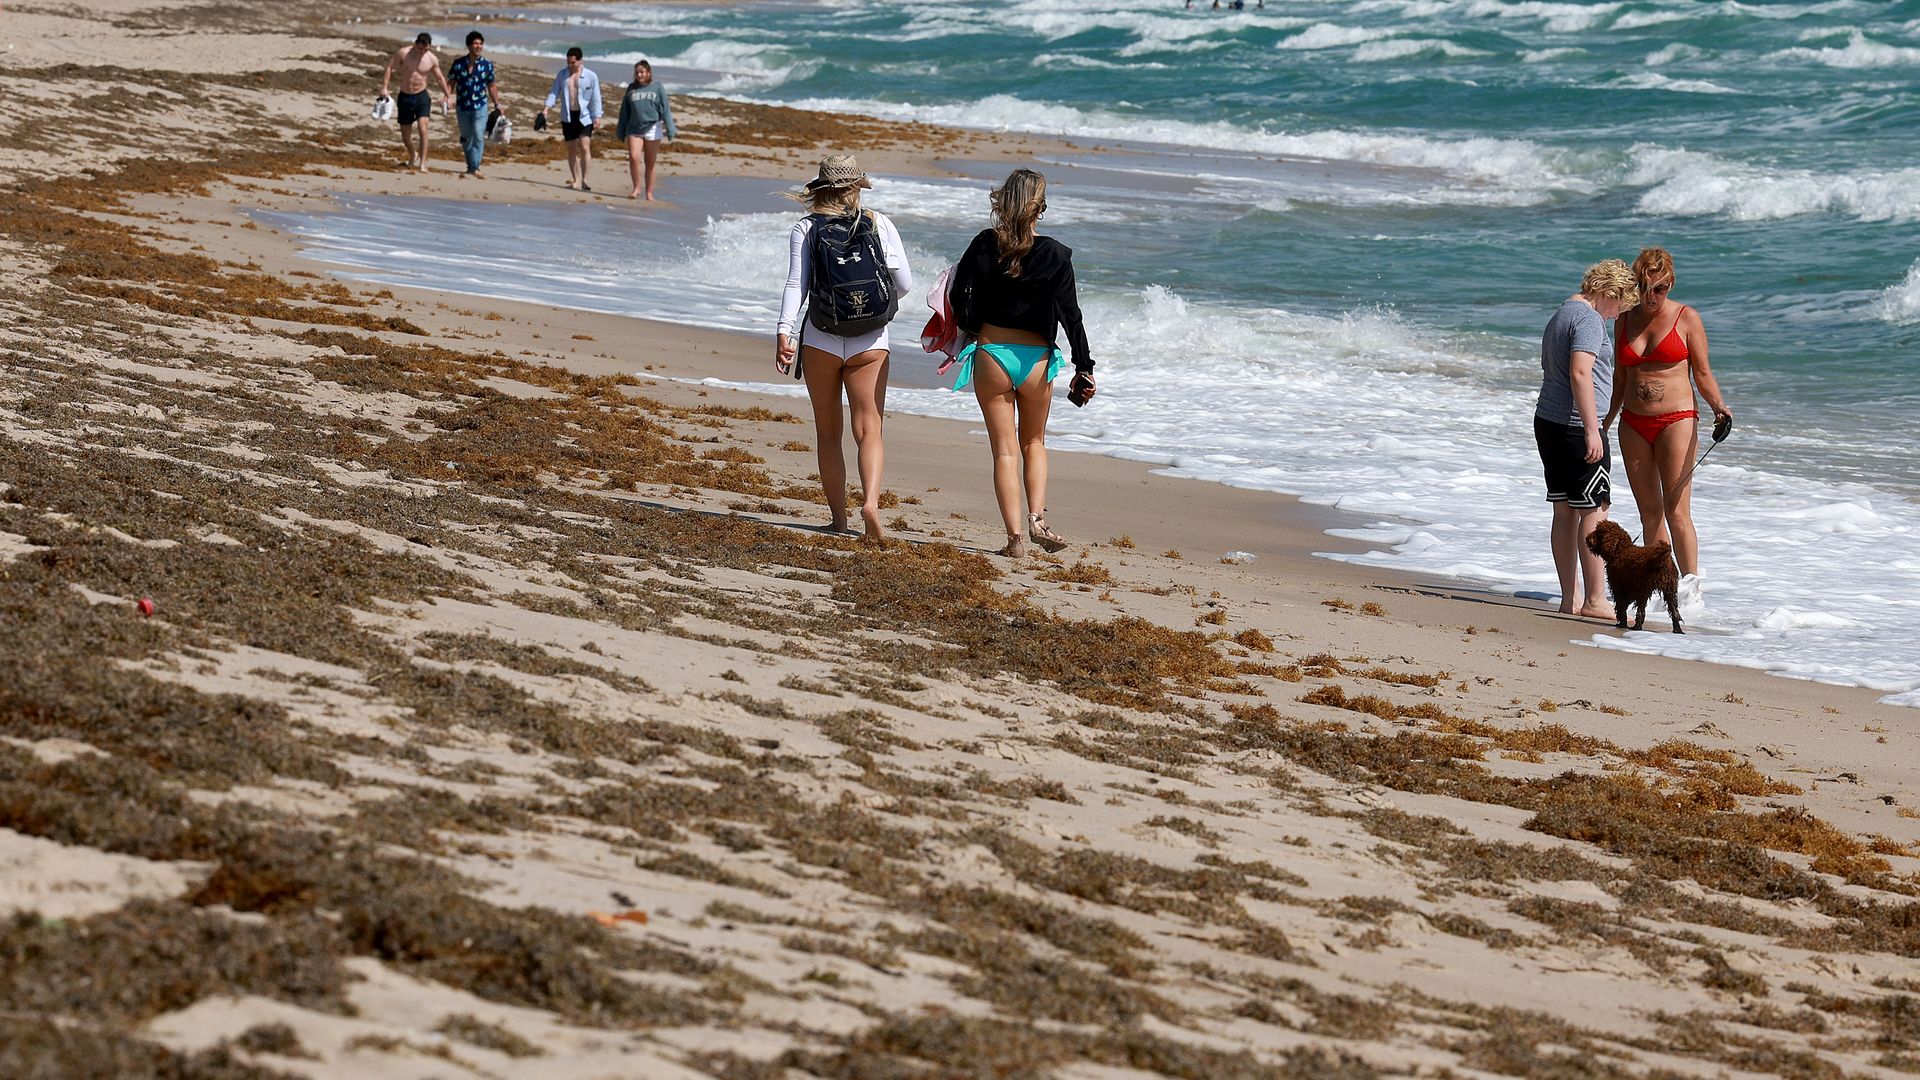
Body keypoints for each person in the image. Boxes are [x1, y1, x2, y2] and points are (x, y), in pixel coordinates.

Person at [950, 168, 1095, 559]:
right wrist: (1085, 366)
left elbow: (959, 298)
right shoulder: (1056, 255)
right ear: (1040, 209)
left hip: (992, 353)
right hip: (1036, 361)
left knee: (1004, 451)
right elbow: (1072, 316)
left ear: (1002, 202)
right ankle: (1037, 519)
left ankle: (1014, 540)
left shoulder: (983, 245)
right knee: (1034, 442)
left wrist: (970, 327)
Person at [774, 155, 912, 540]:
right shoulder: (877, 222)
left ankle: (838, 520)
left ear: (821, 188)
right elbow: (904, 283)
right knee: (870, 428)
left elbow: (795, 285)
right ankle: (870, 502)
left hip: (821, 338)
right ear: (857, 188)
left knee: (828, 432)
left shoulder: (805, 227)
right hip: (871, 340)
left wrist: (785, 332)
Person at [1606, 247, 1732, 613]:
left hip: (1676, 420)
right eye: (1644, 288)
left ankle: (1691, 590)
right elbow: (1619, 376)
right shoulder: (1624, 318)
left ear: (1670, 283)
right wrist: (1605, 421)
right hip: (1633, 423)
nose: (1651, 296)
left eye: (1659, 289)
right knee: (1650, 512)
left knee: (1676, 510)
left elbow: (1703, 373)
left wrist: (1719, 408)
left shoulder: (1686, 318)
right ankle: (1661, 587)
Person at [1535, 259, 1638, 619]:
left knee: (1564, 511)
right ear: (1609, 292)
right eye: (1619, 306)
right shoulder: (1589, 319)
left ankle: (1570, 599)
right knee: (1594, 510)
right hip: (1578, 427)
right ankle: (1595, 600)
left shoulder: (1562, 313)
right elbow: (1581, 372)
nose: (1615, 316)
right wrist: (1594, 429)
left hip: (1548, 420)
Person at [380, 33, 453, 173]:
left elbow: (439, 78)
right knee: (405, 135)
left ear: (428, 47)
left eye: (424, 49)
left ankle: (423, 163)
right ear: (415, 43)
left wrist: (447, 95)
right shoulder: (404, 53)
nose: (421, 51)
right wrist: (384, 87)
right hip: (405, 96)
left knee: (423, 127)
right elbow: (390, 67)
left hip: (422, 97)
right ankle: (413, 153)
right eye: (419, 48)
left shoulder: (431, 59)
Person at [539, 47, 603, 191]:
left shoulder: (591, 76)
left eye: (573, 63)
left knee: (585, 147)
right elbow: (554, 92)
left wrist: (597, 116)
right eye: (568, 62)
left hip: (584, 116)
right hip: (568, 116)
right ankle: (576, 180)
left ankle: (585, 179)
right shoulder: (562, 75)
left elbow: (596, 97)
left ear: (580, 61)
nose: (570, 65)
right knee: (571, 150)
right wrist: (546, 110)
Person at [616, 60, 676, 201]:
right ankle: (636, 188)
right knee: (634, 157)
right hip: (634, 128)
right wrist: (621, 129)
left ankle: (649, 193)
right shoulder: (631, 88)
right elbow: (624, 110)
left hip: (653, 127)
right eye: (637, 72)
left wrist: (670, 127)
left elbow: (665, 108)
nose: (639, 75)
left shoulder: (657, 87)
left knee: (650, 162)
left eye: (642, 72)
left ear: (648, 73)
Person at [447, 31, 500, 179]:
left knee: (478, 134)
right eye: (476, 43)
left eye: (480, 43)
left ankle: (475, 166)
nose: (479, 46)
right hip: (462, 106)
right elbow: (451, 82)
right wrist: (447, 97)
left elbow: (492, 86)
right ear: (469, 45)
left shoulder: (487, 65)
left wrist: (497, 104)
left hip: (480, 105)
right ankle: (470, 164)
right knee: (466, 136)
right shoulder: (458, 64)